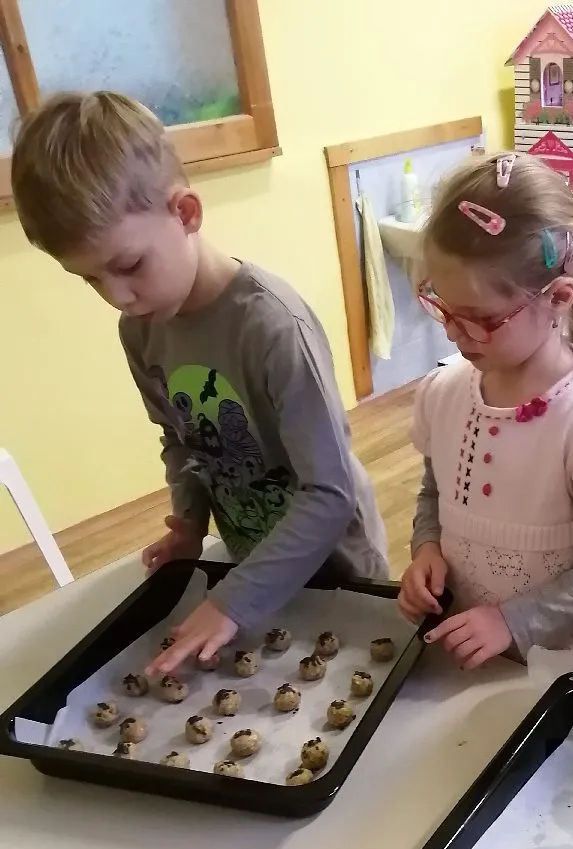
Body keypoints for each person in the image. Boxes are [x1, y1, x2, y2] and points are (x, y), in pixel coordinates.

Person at [11, 91, 387, 676]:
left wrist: (231, 603)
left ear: (185, 213)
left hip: (337, 572)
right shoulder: (141, 331)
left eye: (128, 266)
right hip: (248, 568)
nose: (117, 296)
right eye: (90, 279)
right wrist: (189, 522)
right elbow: (182, 440)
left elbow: (330, 493)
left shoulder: (272, 327)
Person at [397, 151, 573, 667]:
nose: (453, 332)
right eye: (441, 305)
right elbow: (435, 493)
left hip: (556, 667)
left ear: (559, 298)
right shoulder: (444, 393)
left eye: (479, 318)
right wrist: (426, 547)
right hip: (464, 650)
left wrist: (513, 621)